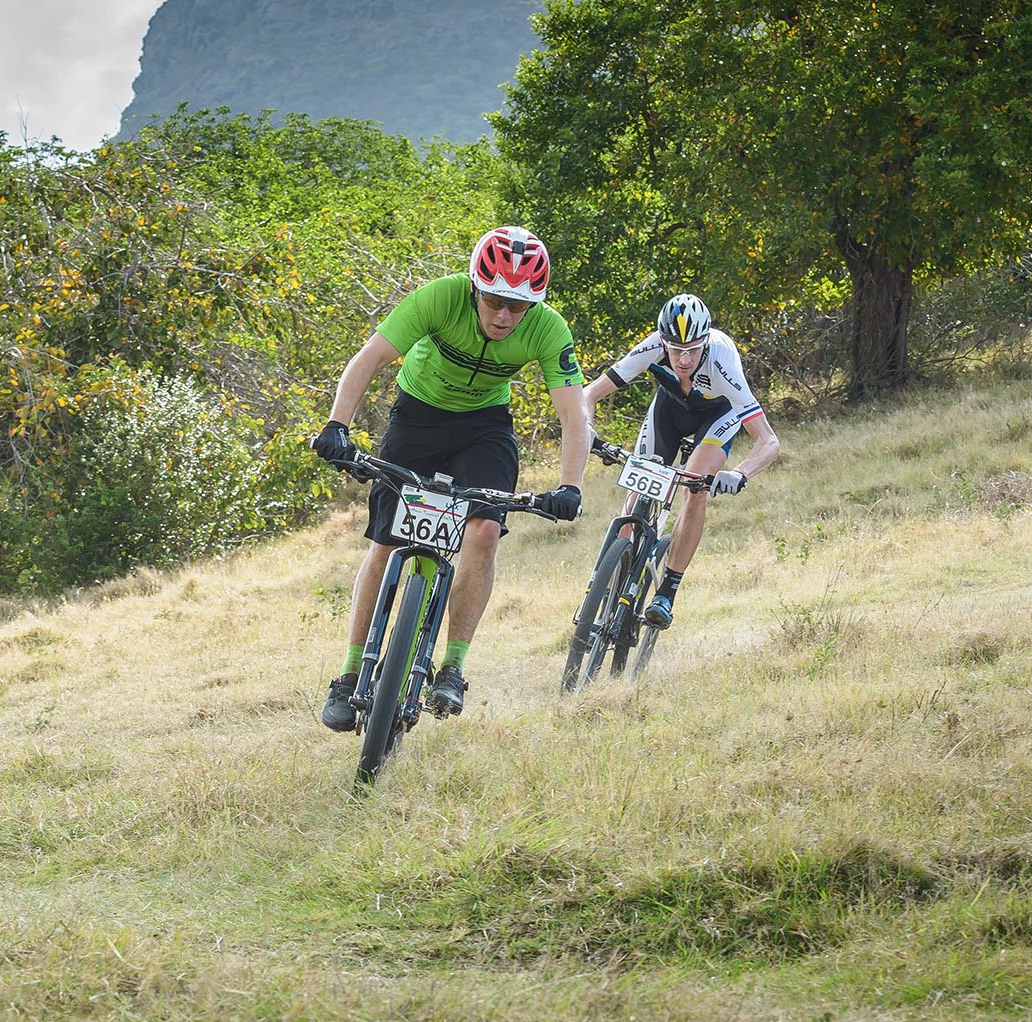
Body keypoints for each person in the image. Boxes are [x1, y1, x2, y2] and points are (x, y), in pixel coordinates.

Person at [310, 226, 590, 728]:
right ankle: (349, 675)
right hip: (417, 415)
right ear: (475, 288)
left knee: (484, 531)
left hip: (485, 427)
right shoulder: (440, 297)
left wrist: (570, 484)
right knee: (386, 543)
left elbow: (574, 413)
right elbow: (370, 358)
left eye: (518, 306)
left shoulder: (549, 329)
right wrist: (337, 426)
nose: (504, 316)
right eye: (494, 301)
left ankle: (452, 668)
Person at [580, 293, 780, 628]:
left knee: (695, 487)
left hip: (716, 415)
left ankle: (667, 591)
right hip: (670, 410)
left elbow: (769, 441)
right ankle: (606, 585)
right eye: (675, 350)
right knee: (640, 486)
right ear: (663, 342)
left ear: (706, 343)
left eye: (693, 350)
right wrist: (585, 428)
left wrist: (739, 473)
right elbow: (589, 393)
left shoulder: (722, 363)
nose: (684, 360)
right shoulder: (651, 347)